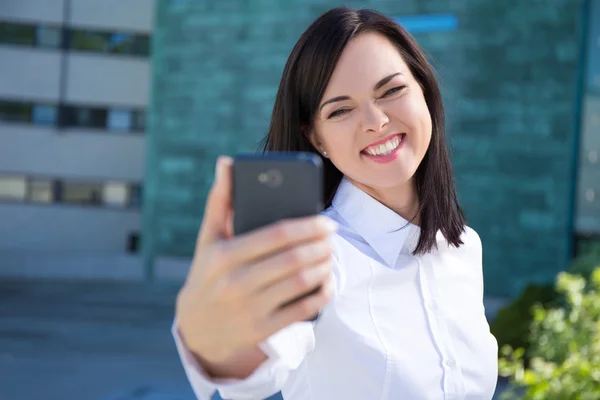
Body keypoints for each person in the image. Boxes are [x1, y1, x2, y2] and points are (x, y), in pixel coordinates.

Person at [173, 6, 499, 400]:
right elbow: (254, 369)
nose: (376, 121)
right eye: (341, 110)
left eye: (392, 91)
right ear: (317, 139)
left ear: (425, 92)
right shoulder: (316, 257)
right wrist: (213, 340)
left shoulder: (463, 246)